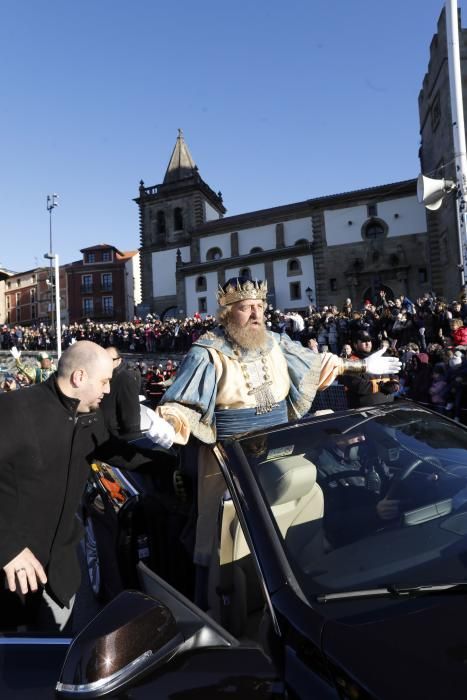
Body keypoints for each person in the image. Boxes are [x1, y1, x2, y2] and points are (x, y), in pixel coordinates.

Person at [145, 277, 400, 580]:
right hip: (229, 463)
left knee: (299, 511)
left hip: (282, 452)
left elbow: (316, 363)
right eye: (245, 308)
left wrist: (360, 366)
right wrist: (167, 423)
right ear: (227, 313)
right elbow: (186, 404)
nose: (255, 314)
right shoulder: (207, 353)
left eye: (259, 307)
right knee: (229, 538)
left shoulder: (277, 343)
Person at [0, 340, 167, 631]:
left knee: (55, 660)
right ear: (79, 377)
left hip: (58, 574)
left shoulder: (89, 419)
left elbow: (121, 454)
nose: (107, 390)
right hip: (10, 573)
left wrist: (180, 460)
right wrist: (8, 548)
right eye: (103, 381)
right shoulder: (14, 410)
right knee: (15, 667)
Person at [338, 330, 399, 408]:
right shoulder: (350, 362)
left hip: (387, 406)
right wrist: (381, 387)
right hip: (364, 411)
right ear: (355, 344)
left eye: (369, 340)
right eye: (363, 341)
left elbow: (393, 373)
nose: (368, 344)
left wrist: (395, 384)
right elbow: (358, 385)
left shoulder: (379, 357)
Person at [100, 346, 142, 438]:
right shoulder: (101, 377)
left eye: (110, 359)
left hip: (114, 439)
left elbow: (132, 420)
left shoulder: (125, 380)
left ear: (119, 360)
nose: (105, 363)